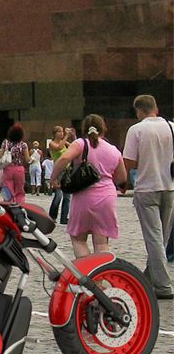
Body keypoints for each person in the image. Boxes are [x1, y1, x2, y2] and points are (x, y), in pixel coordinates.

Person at [123, 94, 174, 301]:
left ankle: (163, 286)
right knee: (161, 237)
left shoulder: (137, 130)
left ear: (138, 111)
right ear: (156, 108)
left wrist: (122, 182)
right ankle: (148, 278)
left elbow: (129, 161)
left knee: (154, 238)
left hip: (146, 188)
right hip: (170, 187)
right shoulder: (171, 127)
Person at [53, 114, 125, 257]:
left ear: (84, 129)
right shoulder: (113, 150)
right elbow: (122, 178)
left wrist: (54, 177)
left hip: (84, 197)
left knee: (79, 239)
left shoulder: (80, 144)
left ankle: (86, 275)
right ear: (104, 129)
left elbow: (64, 158)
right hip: (106, 197)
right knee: (101, 243)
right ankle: (99, 277)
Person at [47, 126, 72, 225]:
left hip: (67, 171)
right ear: (54, 133)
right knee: (58, 195)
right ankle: (52, 216)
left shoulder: (64, 142)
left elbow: (73, 146)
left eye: (62, 131)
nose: (61, 133)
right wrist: (66, 136)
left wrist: (72, 135)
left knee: (67, 196)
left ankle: (64, 218)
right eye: (59, 132)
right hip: (59, 171)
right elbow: (59, 147)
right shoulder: (52, 143)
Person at [0, 126, 28, 203]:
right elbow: (27, 159)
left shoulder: (6, 143)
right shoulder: (23, 145)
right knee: (20, 190)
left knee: (8, 191)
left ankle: (9, 205)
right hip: (19, 169)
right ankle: (20, 205)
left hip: (8, 169)